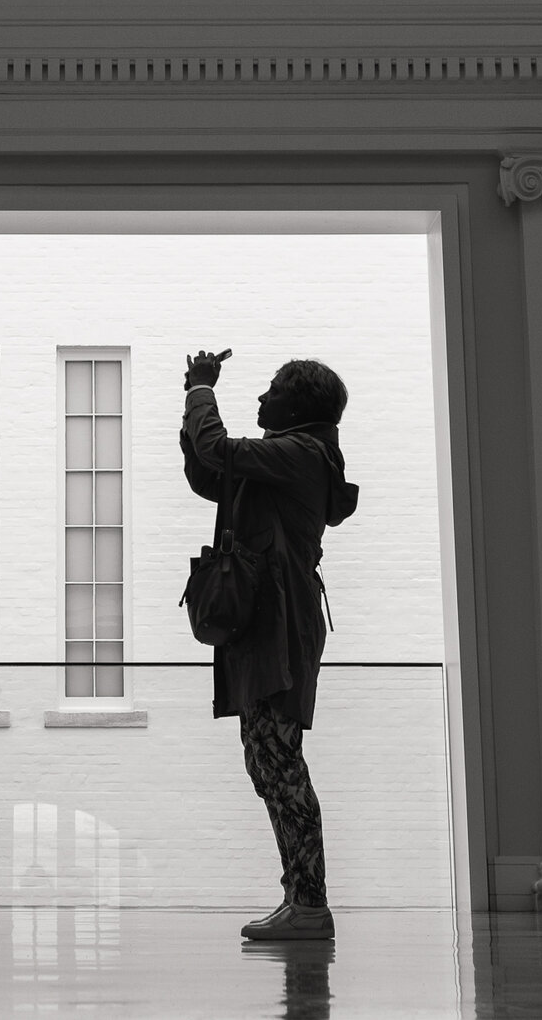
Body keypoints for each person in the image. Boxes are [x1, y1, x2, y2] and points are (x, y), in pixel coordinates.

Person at [181, 349, 359, 943]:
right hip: (272, 618)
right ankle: (299, 897)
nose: (261, 399)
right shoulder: (287, 459)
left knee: (280, 763)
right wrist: (194, 407)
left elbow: (219, 452)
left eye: (273, 390)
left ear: (298, 407)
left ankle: (310, 904)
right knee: (267, 760)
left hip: (282, 621)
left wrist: (204, 391)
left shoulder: (302, 454)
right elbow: (211, 475)